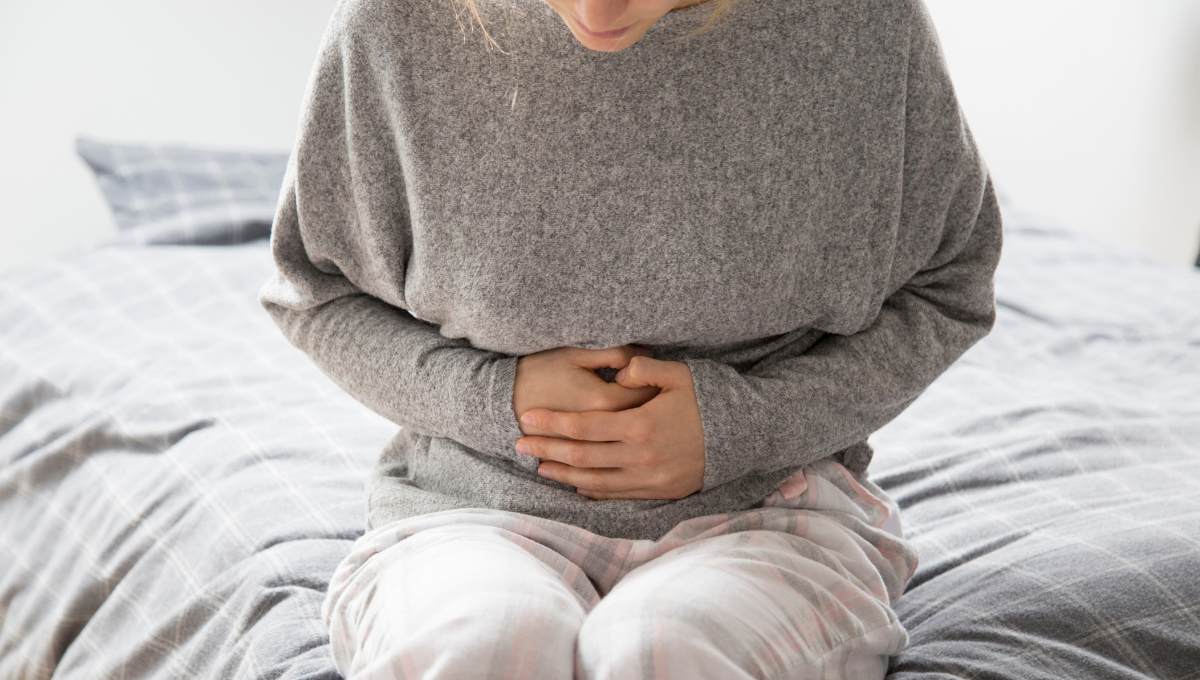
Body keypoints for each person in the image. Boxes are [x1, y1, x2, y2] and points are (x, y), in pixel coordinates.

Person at [259, 0, 1003, 676]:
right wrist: (496, 399)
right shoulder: (395, 26)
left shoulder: (861, 26)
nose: (597, 8)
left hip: (774, 511)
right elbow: (315, 293)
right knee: (484, 647)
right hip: (467, 509)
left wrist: (740, 426)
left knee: (662, 651)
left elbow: (949, 289)